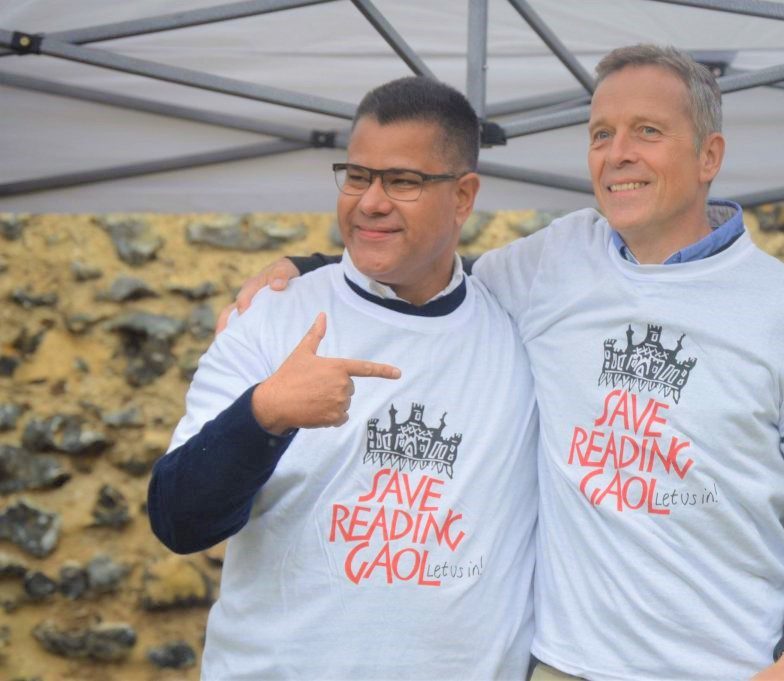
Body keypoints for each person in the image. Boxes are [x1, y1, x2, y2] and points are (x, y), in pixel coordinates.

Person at [229, 45, 784, 681]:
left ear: (708, 155)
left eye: (646, 131)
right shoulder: (553, 262)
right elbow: (430, 278)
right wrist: (308, 268)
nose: (616, 153)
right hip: (564, 665)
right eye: (600, 133)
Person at [148, 77, 541, 679]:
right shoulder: (275, 316)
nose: (370, 201)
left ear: (463, 196)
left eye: (402, 181)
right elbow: (179, 521)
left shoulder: (522, 324)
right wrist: (264, 415)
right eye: (357, 176)